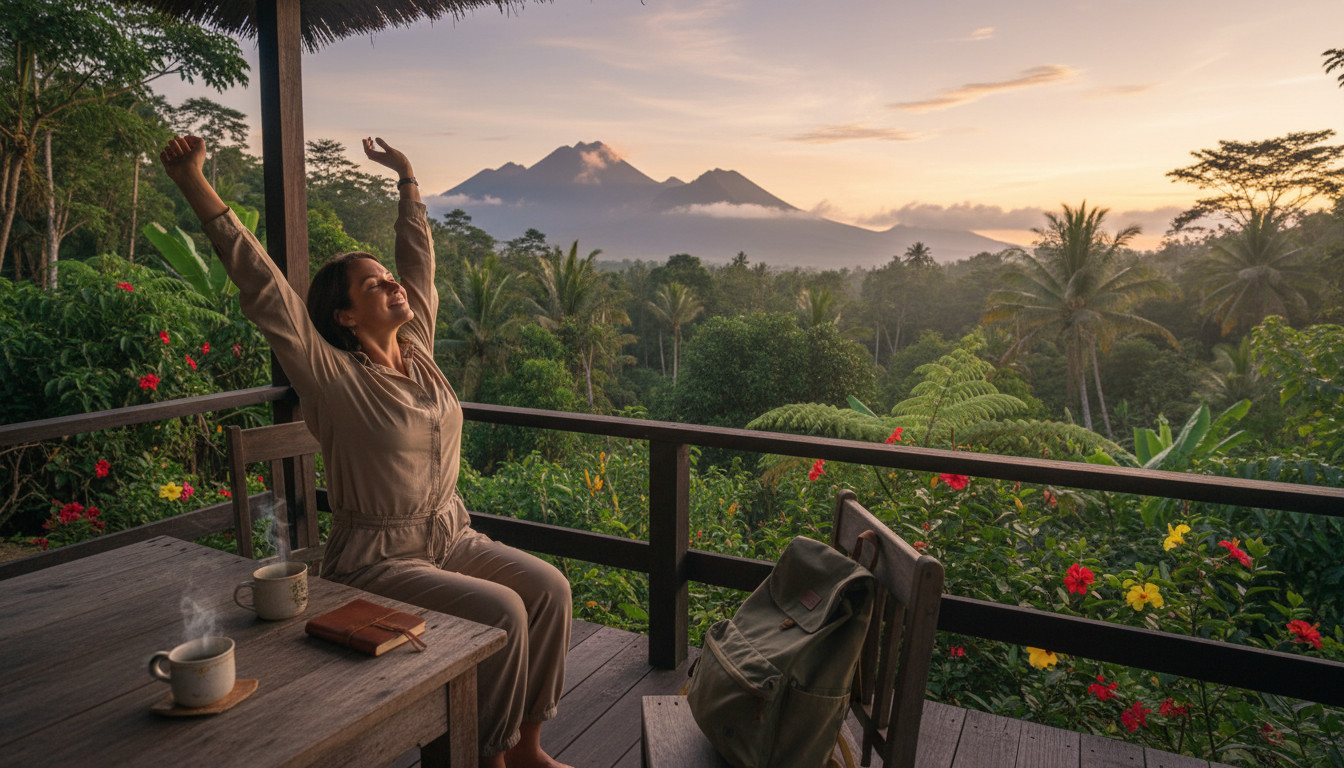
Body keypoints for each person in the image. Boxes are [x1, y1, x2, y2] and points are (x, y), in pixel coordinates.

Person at [159, 135, 572, 768]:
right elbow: (261, 283)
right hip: (379, 557)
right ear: (346, 316)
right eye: (374, 285)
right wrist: (194, 181)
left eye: (387, 277)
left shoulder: (421, 351)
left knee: (549, 588)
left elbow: (419, 266)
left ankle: (526, 749)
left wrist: (407, 182)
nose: (392, 286)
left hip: (452, 533)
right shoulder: (330, 375)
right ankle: (482, 758)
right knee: (507, 611)